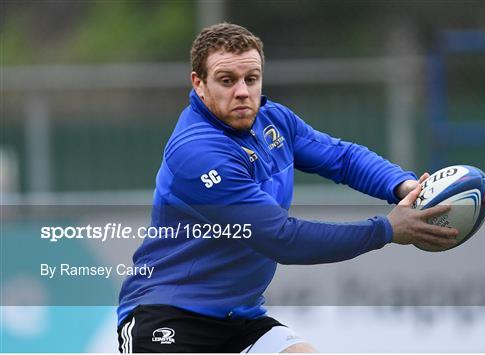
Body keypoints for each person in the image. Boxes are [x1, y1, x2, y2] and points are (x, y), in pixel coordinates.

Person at [117, 23, 458, 353]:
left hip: (240, 318)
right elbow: (282, 239)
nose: (242, 91)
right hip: (167, 315)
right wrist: (386, 230)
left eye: (251, 79)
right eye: (227, 80)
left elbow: (342, 157)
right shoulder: (198, 151)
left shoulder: (274, 120)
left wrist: (403, 185)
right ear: (199, 83)